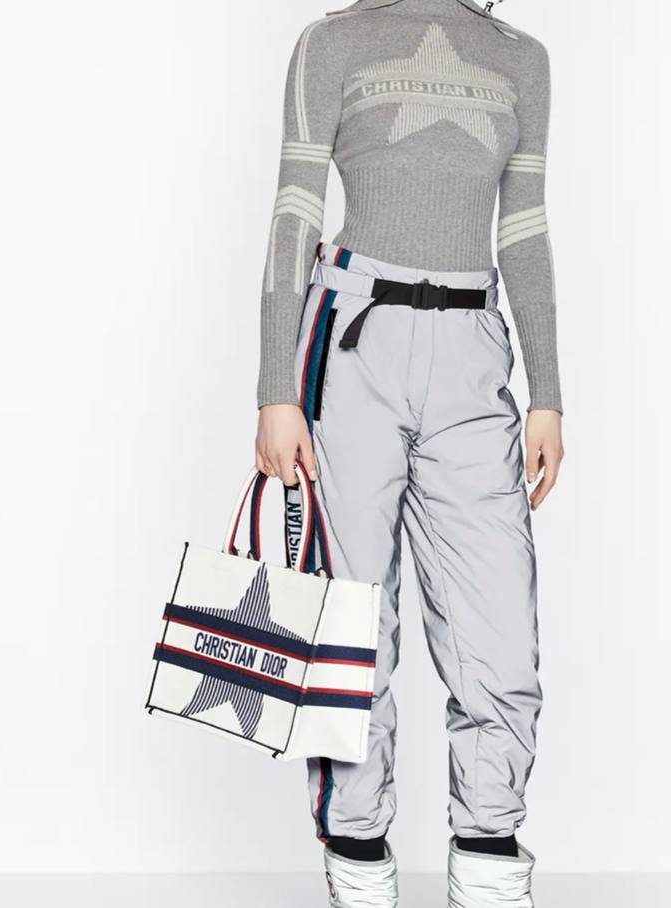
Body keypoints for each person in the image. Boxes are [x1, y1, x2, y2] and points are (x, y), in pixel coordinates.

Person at [252, 2, 563, 905]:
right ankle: (357, 860)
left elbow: (524, 228)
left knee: (498, 625)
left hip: (474, 348)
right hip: (354, 339)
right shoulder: (332, 41)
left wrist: (548, 391)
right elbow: (294, 212)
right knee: (350, 619)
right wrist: (275, 390)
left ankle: (490, 855)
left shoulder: (521, 58)